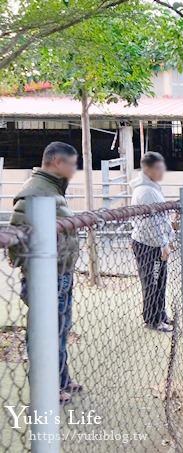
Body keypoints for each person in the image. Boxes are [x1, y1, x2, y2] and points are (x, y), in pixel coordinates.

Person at [10, 141, 81, 404]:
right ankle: (46, 386)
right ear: (57, 163)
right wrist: (31, 272)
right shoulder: (35, 193)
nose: (74, 171)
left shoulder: (52, 190)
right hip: (46, 277)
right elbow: (18, 236)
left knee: (60, 330)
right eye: (72, 165)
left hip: (60, 272)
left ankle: (61, 379)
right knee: (46, 333)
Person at [130, 152, 174, 332]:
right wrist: (163, 243)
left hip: (155, 242)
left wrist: (168, 238)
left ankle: (160, 313)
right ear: (148, 169)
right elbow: (152, 223)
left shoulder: (151, 188)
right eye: (159, 167)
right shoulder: (146, 191)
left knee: (159, 281)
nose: (162, 171)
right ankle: (153, 319)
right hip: (149, 245)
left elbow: (162, 218)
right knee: (152, 282)